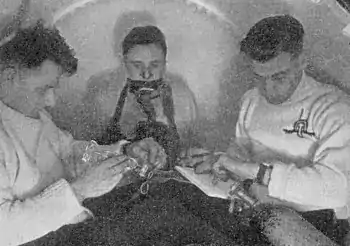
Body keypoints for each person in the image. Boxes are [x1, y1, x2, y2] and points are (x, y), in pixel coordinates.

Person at [181, 14, 350, 244]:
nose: (268, 89)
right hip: (256, 210)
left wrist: (250, 171)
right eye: (259, 77)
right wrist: (220, 165)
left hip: (310, 224)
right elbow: (239, 152)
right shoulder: (251, 100)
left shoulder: (333, 107)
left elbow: (337, 189)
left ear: (302, 60)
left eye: (279, 77)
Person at [0, 20, 168, 246]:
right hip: (48, 239)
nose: (52, 100)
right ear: (9, 77)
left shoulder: (32, 114)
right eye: (43, 89)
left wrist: (125, 151)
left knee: (170, 207)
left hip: (76, 224)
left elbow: (69, 152)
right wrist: (78, 191)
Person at [83, 24, 199, 168]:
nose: (146, 74)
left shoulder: (182, 97)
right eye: (137, 65)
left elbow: (195, 148)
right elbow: (87, 153)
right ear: (124, 62)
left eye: (155, 65)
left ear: (165, 63)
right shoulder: (105, 95)